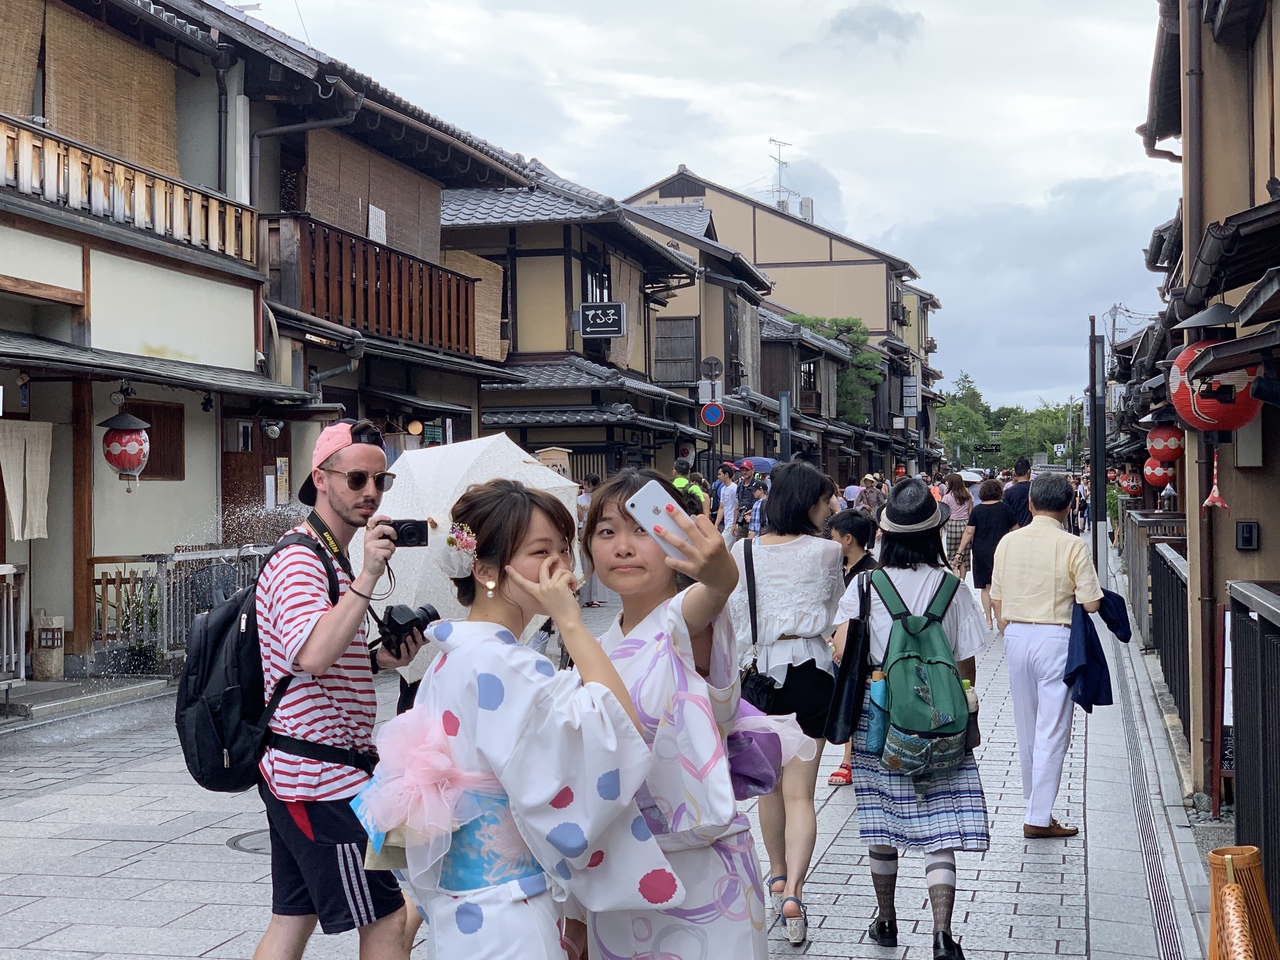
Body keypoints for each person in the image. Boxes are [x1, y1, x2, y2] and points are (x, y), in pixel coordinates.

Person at [378, 480, 683, 959]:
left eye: (563, 550)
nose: (560, 568)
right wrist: (572, 624)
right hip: (508, 914)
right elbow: (617, 730)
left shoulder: (452, 656)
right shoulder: (507, 664)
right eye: (541, 552)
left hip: (463, 913)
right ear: (485, 570)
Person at [582, 469, 811, 959]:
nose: (623, 546)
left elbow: (718, 587)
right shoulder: (595, 644)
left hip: (701, 875)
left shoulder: (684, 620)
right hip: (617, 873)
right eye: (606, 531)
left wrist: (720, 571)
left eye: (642, 529)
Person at [254, 419, 426, 960]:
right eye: (356, 479)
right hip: (319, 780)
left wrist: (381, 657)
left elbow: (318, 659)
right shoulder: (300, 558)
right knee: (389, 919)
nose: (371, 493)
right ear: (320, 480)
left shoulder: (330, 556)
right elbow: (311, 653)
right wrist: (369, 576)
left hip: (303, 772)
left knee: (292, 918)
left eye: (381, 481)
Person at [833, 479, 990, 960]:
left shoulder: (864, 585)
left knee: (882, 823)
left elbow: (841, 652)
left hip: (879, 720)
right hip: (941, 721)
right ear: (933, 533)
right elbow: (966, 661)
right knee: (940, 826)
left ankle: (886, 922)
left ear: (886, 534)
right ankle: (943, 936)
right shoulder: (951, 588)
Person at [726, 462, 843, 945]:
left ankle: (775, 876)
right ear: (807, 503)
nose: (829, 508)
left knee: (768, 789)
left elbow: (734, 615)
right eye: (823, 500)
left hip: (760, 676)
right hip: (812, 671)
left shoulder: (743, 551)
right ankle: (795, 890)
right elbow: (835, 609)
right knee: (801, 793)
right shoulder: (828, 551)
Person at [991, 474, 1104, 839]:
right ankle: (1038, 817)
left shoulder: (1009, 543)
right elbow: (1092, 603)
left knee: (1027, 726)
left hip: (1017, 635)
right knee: (1053, 729)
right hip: (1056, 637)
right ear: (1069, 506)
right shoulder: (1072, 545)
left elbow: (996, 596)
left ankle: (1035, 806)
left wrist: (1009, 629)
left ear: (1030, 503)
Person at [825, 509, 879, 788]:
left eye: (832, 536)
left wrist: (842, 642)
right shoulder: (835, 567)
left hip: (858, 648)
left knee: (854, 700)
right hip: (835, 643)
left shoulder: (872, 572)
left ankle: (849, 759)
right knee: (843, 698)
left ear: (848, 539)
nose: (829, 541)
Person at [954, 480, 1017, 629]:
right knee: (1002, 585)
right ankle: (1002, 618)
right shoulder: (1006, 509)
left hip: (981, 550)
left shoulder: (977, 510)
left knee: (986, 587)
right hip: (1002, 550)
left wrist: (959, 551)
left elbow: (969, 531)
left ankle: (988, 620)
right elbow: (1016, 530)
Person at [576, 474, 604, 607]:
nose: (585, 487)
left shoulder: (600, 498)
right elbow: (579, 519)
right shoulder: (579, 499)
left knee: (597, 561)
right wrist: (581, 511)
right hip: (584, 530)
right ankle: (585, 596)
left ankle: (596, 596)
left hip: (597, 529)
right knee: (585, 561)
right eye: (585, 484)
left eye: (587, 484)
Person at [940, 473, 973, 579]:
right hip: (965, 526)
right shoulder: (968, 497)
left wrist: (941, 530)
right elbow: (970, 513)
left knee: (952, 555)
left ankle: (955, 577)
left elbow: (944, 513)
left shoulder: (947, 497)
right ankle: (962, 580)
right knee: (964, 555)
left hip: (952, 525)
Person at [715, 463, 740, 548]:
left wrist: (734, 524)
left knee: (723, 548)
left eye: (719, 474)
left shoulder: (734, 488)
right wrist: (716, 524)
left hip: (731, 524)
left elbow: (737, 506)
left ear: (726, 474)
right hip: (726, 523)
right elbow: (721, 507)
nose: (718, 476)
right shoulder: (723, 489)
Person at [1002, 457, 1033, 527]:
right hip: (1034, 528)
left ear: (1015, 473)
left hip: (1015, 529)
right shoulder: (1036, 489)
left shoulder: (1008, 492)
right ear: (1029, 471)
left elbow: (1006, 515)